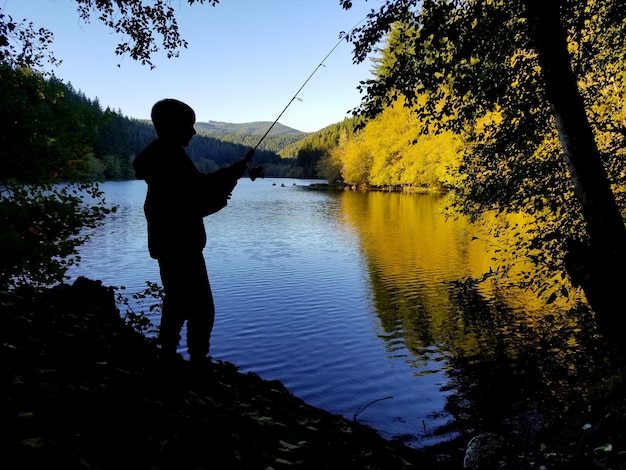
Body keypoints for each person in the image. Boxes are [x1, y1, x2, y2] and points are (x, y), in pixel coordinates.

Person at [132, 98, 259, 368]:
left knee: (177, 301)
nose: (193, 131)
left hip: (169, 243)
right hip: (180, 245)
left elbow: (191, 196)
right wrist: (232, 174)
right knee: (201, 308)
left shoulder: (160, 155)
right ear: (172, 126)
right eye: (188, 125)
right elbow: (197, 192)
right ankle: (196, 361)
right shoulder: (170, 155)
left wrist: (231, 175)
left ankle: (168, 354)